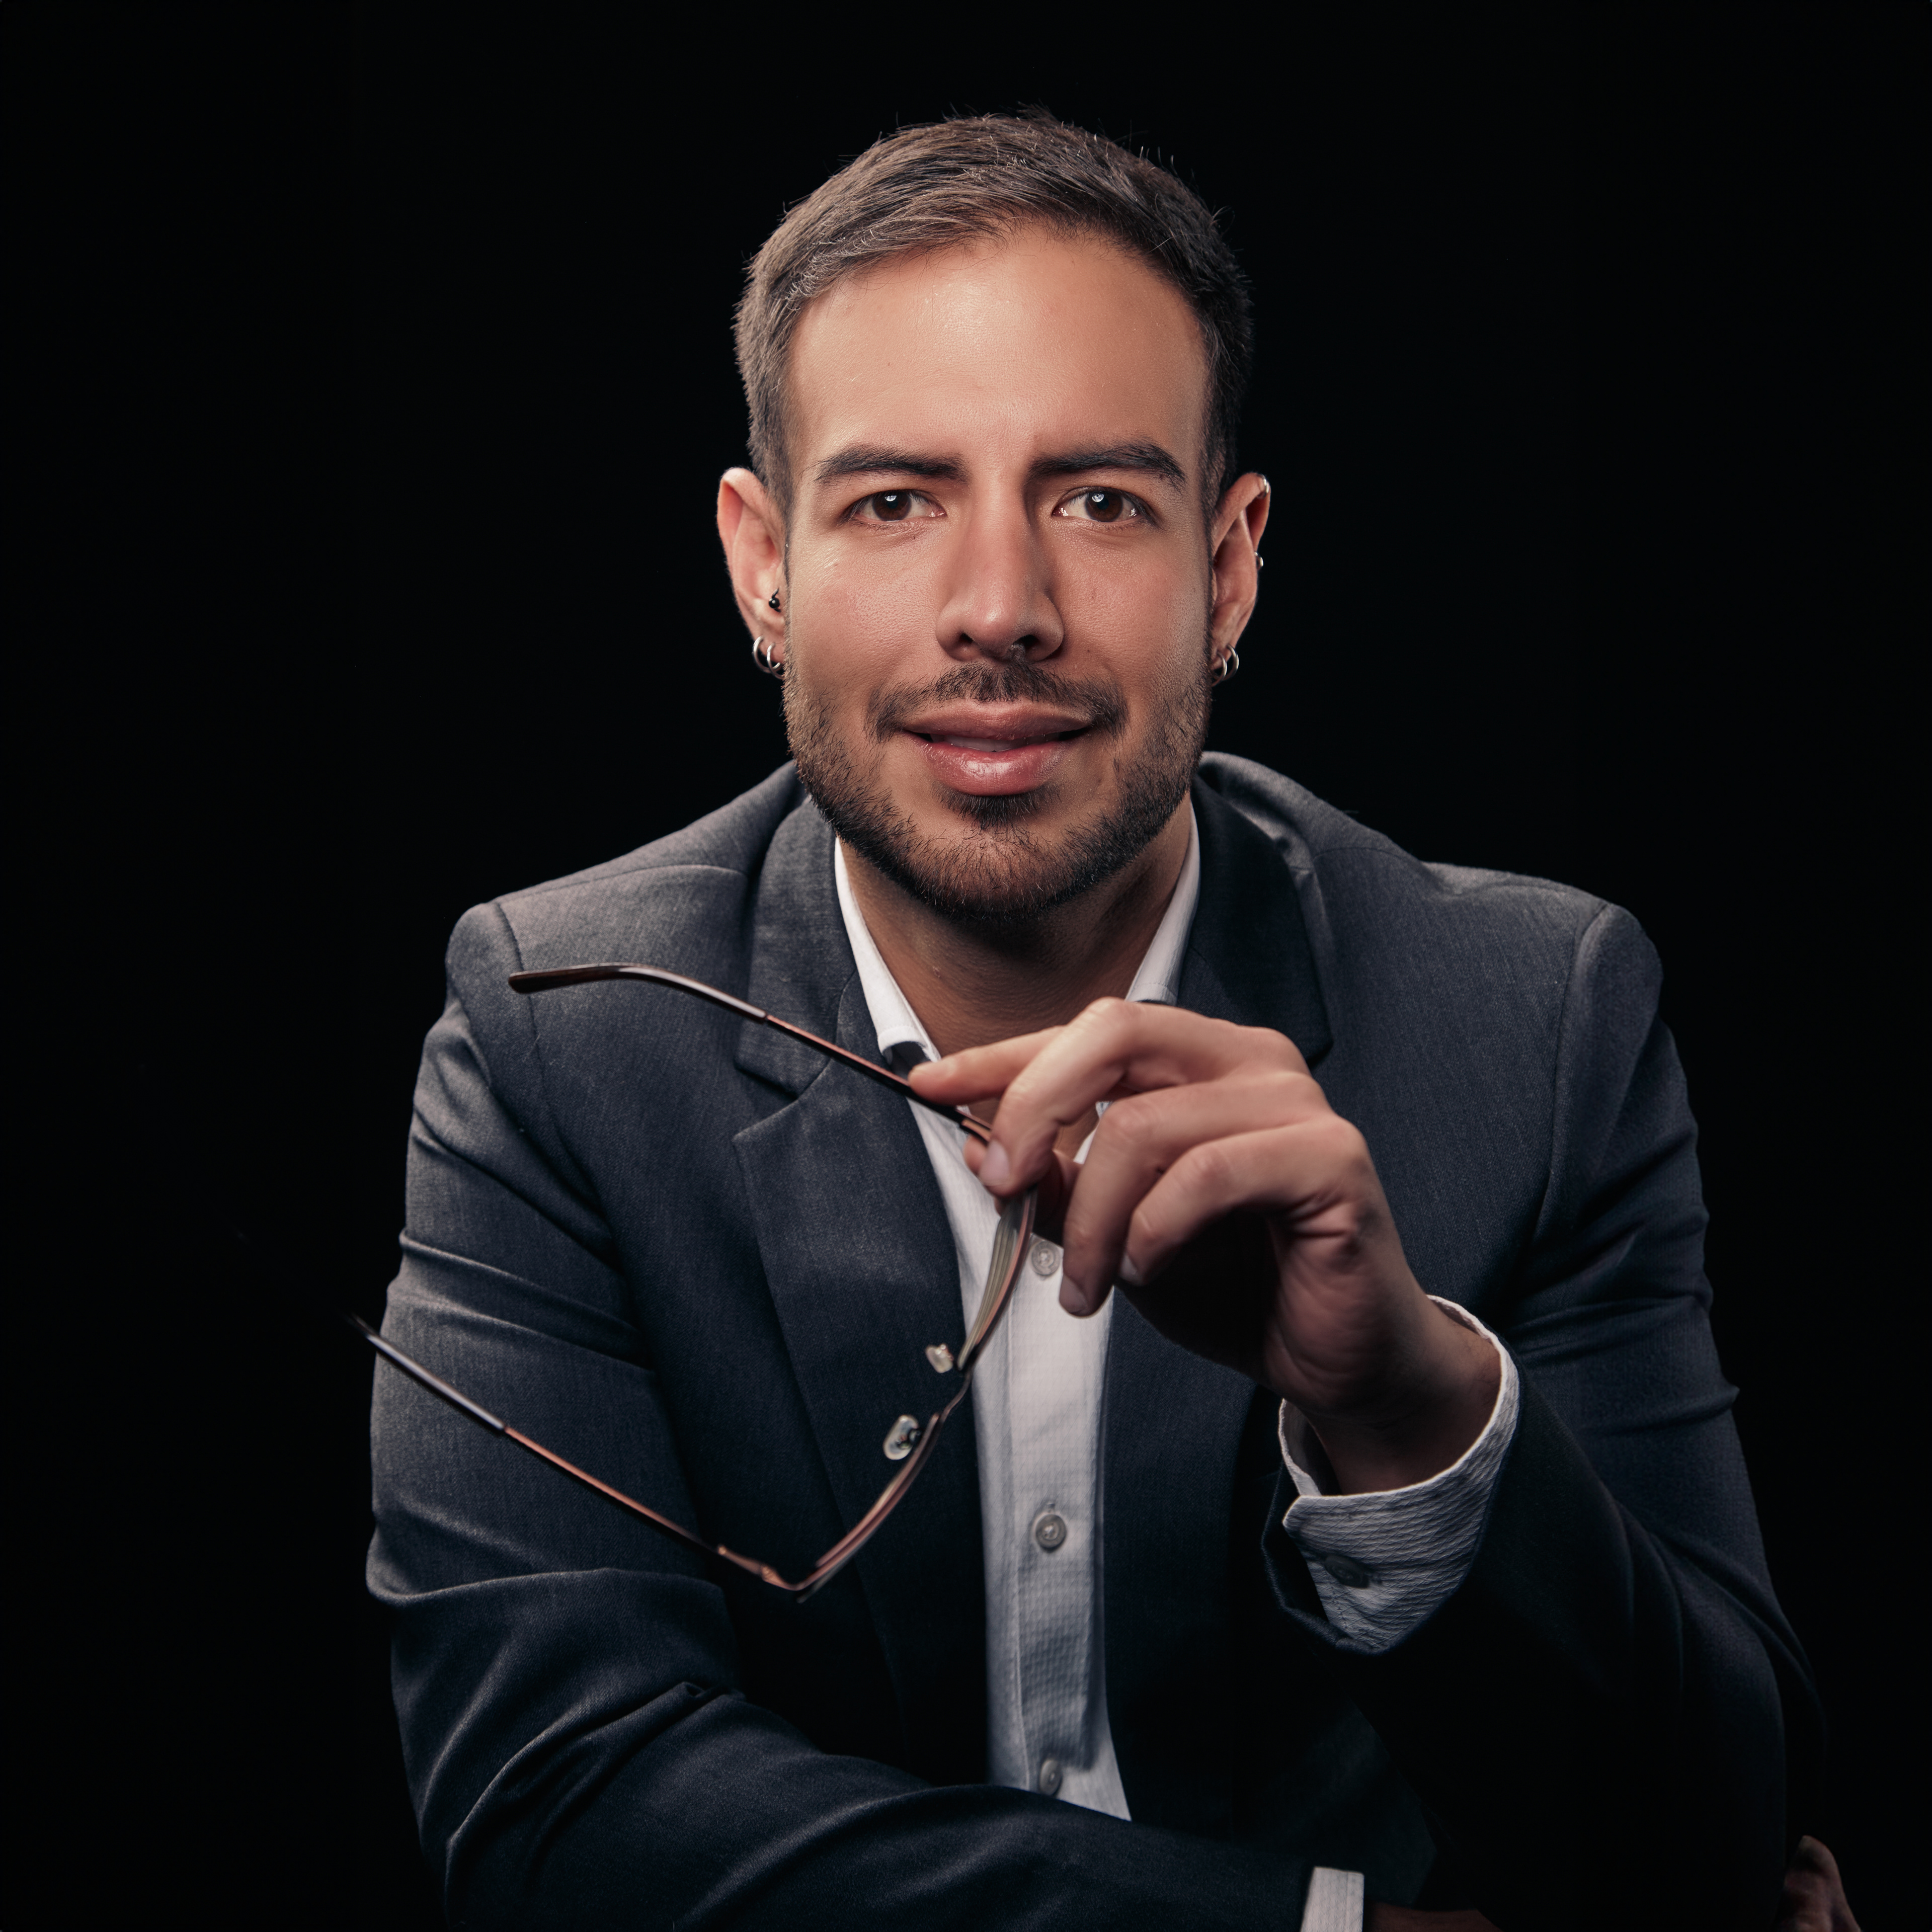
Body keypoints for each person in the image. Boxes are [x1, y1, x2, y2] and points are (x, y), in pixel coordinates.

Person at [368, 114, 1824, 1930]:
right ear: (763, 564)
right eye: (895, 502)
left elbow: (1712, 1840)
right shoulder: (553, 1032)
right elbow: (555, 1803)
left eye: (1100, 503)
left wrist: (1406, 1411)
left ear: (1230, 566)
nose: (1003, 611)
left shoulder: (1537, 1021)